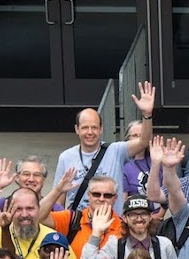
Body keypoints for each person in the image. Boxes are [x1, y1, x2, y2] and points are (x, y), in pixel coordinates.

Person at [54, 83, 156, 216]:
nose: (90, 132)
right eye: (85, 127)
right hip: (79, 227)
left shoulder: (116, 151)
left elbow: (144, 141)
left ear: (101, 129)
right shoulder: (66, 157)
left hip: (113, 225)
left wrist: (147, 115)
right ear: (76, 129)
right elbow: (58, 201)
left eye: (94, 127)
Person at [78, 196, 180, 259]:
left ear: (150, 217)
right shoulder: (115, 246)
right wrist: (96, 234)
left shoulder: (164, 244)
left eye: (144, 214)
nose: (139, 219)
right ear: (125, 218)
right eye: (133, 215)